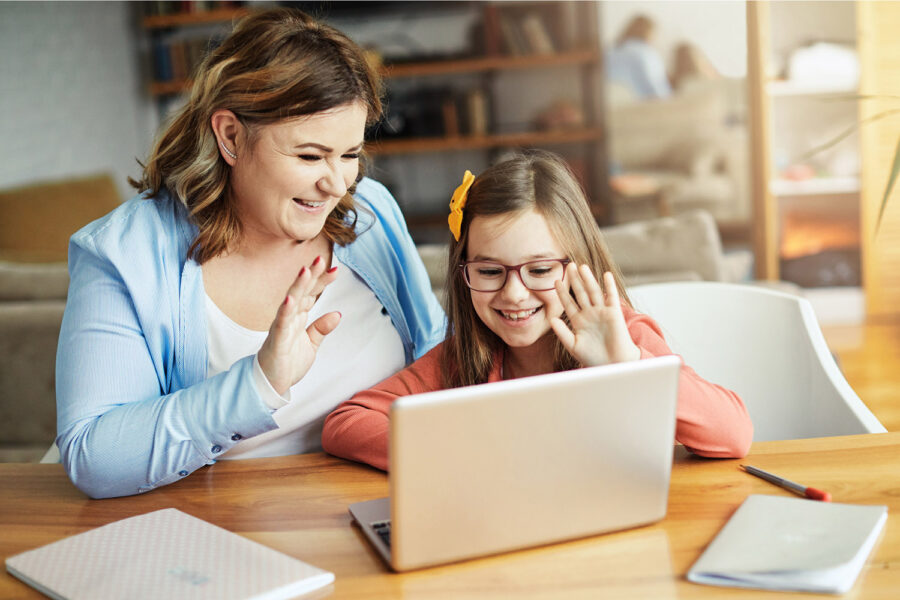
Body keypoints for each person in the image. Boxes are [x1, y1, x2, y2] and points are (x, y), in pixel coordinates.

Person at [55, 8, 445, 499]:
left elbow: (435, 352)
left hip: (387, 506)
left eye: (349, 154)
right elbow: (94, 456)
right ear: (231, 136)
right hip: (222, 533)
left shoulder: (371, 213)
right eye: (309, 156)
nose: (337, 183)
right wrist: (259, 384)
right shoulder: (123, 254)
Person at [322, 151, 753, 471]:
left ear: (579, 265)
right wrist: (453, 452)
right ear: (462, 271)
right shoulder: (465, 358)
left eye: (541, 269)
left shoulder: (622, 338)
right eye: (489, 271)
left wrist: (630, 365)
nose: (514, 294)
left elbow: (732, 433)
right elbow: (346, 422)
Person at [605, 14, 672, 100]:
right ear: (649, 32)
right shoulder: (646, 53)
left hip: (612, 106)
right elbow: (657, 91)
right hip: (643, 106)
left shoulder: (610, 51)